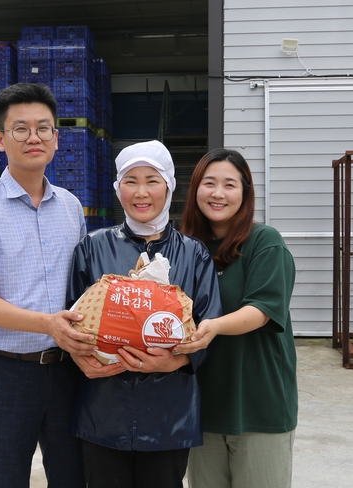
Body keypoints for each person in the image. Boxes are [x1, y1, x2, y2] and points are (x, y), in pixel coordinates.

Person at [0, 82, 96, 488]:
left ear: (56, 138)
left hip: (68, 371)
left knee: (73, 477)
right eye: (21, 128)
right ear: (0, 139)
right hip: (4, 373)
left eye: (44, 128)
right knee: (5, 479)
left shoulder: (70, 206)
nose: (34, 137)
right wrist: (48, 324)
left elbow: (82, 288)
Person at [66, 140, 223, 488]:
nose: (141, 192)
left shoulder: (194, 254)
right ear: (117, 188)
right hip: (102, 411)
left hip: (170, 414)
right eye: (130, 180)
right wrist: (79, 357)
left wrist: (177, 362)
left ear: (169, 186)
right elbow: (71, 320)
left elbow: (209, 326)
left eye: (152, 180)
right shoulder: (92, 248)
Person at [175, 148, 298, 488]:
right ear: (195, 189)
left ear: (245, 192)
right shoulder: (185, 248)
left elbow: (260, 310)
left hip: (258, 405)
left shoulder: (264, 242)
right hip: (203, 408)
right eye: (209, 183)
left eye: (229, 184)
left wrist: (213, 326)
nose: (218, 193)